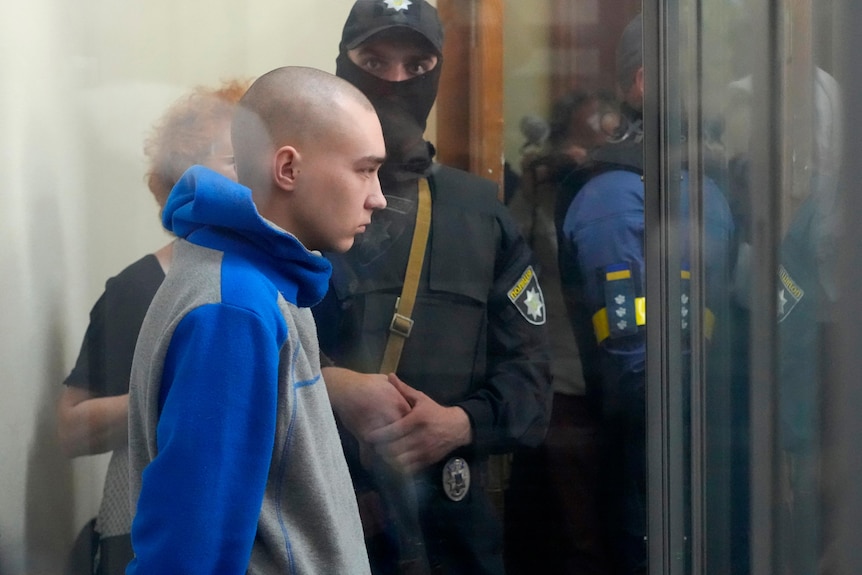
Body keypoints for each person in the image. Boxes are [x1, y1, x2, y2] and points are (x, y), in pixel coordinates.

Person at [312, 1, 553, 573]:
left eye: (417, 65)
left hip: (453, 527)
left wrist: (461, 423)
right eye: (374, 59)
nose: (394, 80)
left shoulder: (480, 215)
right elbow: (247, 355)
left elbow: (531, 380)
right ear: (341, 67)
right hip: (328, 517)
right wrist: (329, 386)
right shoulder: (296, 202)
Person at [125, 66, 386, 574]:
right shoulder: (233, 309)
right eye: (364, 169)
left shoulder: (264, 283)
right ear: (287, 168)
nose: (377, 195)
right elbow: (188, 551)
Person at [557, 13, 735, 574]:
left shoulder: (707, 184)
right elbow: (635, 364)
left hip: (709, 438)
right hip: (650, 445)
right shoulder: (616, 194)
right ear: (641, 83)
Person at [56, 78, 248, 575]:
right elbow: (70, 429)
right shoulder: (140, 288)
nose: (255, 177)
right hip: (150, 539)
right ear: (185, 177)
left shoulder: (286, 284)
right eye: (234, 161)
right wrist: (172, 393)